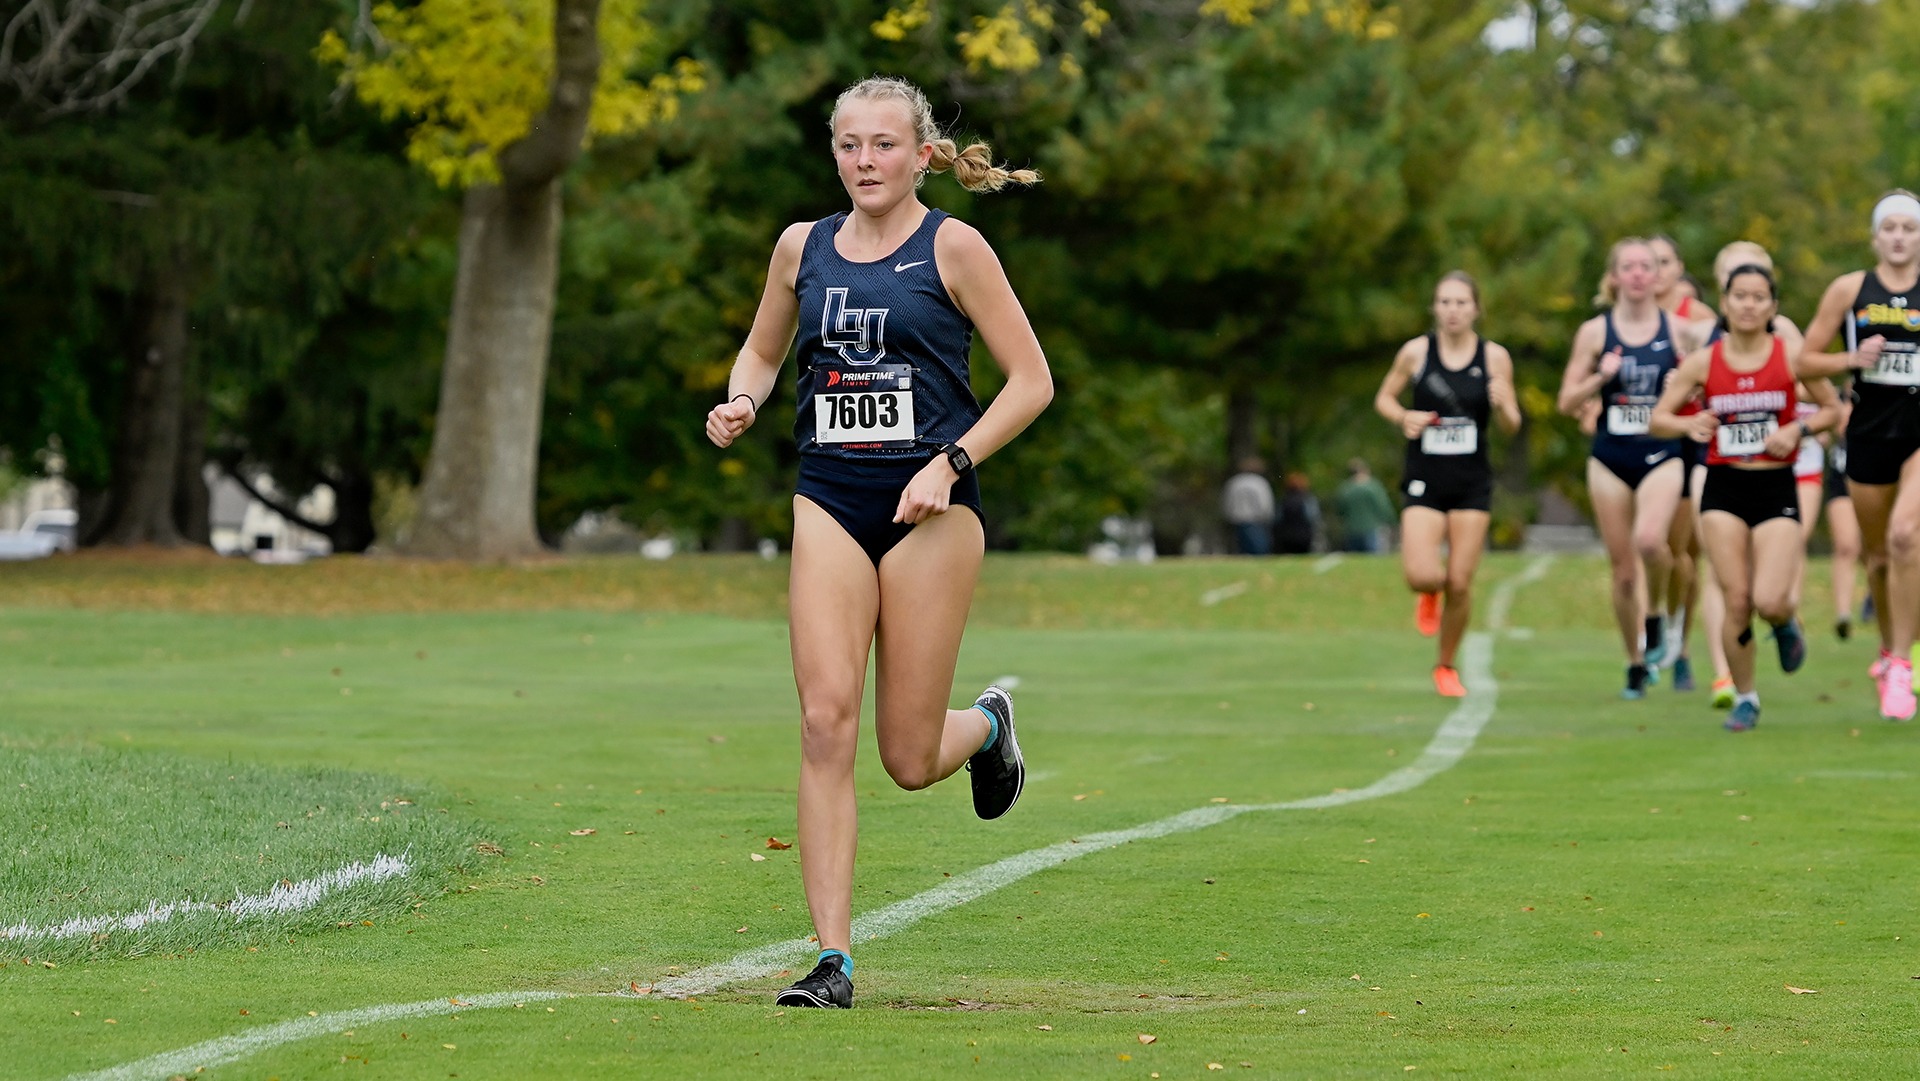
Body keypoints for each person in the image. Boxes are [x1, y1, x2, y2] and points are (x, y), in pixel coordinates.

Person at [703, 76, 1053, 1008]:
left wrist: (950, 460)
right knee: (824, 723)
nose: (865, 161)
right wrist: (743, 399)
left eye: (884, 145)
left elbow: (1031, 381)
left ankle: (986, 728)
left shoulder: (956, 247)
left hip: (932, 512)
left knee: (904, 756)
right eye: (850, 145)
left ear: (921, 154)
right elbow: (765, 350)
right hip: (828, 497)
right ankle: (832, 959)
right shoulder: (800, 247)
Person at [1652, 262, 1840, 731]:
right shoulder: (1704, 361)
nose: (1749, 304)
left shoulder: (1791, 356)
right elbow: (1658, 418)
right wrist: (1687, 424)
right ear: (1726, 303)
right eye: (1740, 296)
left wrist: (1798, 429)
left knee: (1770, 598)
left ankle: (1783, 625)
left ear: (1773, 306)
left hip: (1776, 485)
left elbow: (1836, 408)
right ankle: (1746, 696)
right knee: (1737, 599)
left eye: (1759, 297)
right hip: (1724, 486)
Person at [1557, 238, 1708, 698]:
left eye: (1647, 266)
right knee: (1623, 571)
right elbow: (1566, 401)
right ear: (1615, 277)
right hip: (1610, 457)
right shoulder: (1595, 333)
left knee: (1652, 542)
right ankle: (1634, 661)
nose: (1641, 274)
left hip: (1661, 453)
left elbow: (1724, 360)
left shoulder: (1682, 331)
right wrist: (1600, 377)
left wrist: (1682, 384)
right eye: (1630, 267)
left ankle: (1657, 615)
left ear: (1660, 276)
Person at [1796, 190, 1920, 719]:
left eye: (1908, 228)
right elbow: (1803, 361)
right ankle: (1891, 652)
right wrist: (1852, 357)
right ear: (1874, 237)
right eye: (1889, 228)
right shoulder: (1849, 290)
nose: (1898, 237)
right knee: (1879, 558)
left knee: (1906, 535)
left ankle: (1902, 662)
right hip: (1869, 433)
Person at [1372, 271, 1522, 697]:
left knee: (1460, 580)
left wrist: (1504, 404)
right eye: (1444, 302)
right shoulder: (1416, 353)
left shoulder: (1494, 358)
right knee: (1422, 575)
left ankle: (1445, 665)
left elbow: (1512, 424)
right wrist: (1404, 417)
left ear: (1476, 309)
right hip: (1425, 478)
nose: (1452, 311)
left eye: (1461, 303)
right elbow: (1383, 398)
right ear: (1434, 309)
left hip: (1472, 483)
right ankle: (1428, 595)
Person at [1650, 235, 1722, 694]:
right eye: (1646, 263)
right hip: (1647, 439)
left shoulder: (1700, 321)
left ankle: (1681, 642)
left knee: (1685, 555)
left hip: (1693, 437)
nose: (1653, 272)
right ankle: (1651, 634)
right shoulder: (1624, 319)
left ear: (1679, 268)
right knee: (1653, 547)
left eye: (1663, 262)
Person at [1335, 459, 1396, 553]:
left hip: (1351, 530)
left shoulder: (1345, 489)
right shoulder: (1373, 487)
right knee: (1373, 560)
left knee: (1354, 559)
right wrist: (1392, 521)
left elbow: (1340, 511)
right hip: (1372, 529)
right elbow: (1383, 507)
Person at [1222, 459, 1276, 555]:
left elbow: (1228, 501)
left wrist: (1229, 515)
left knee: (1242, 547)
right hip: (1256, 520)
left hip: (1238, 519)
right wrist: (1268, 516)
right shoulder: (1260, 483)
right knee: (1258, 547)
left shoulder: (1234, 482)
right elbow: (1265, 502)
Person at [1275, 471, 1321, 555]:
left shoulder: (1284, 500)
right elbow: (1312, 517)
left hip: (1286, 536)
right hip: (1304, 535)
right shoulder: (1307, 499)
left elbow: (1278, 519)